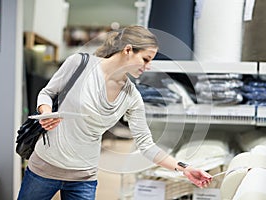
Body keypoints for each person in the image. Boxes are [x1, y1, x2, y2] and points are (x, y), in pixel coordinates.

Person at [17, 25, 212, 200]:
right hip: (44, 169)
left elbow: (146, 145)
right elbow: (47, 93)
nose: (148, 66)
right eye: (145, 59)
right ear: (128, 50)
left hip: (83, 178)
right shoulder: (79, 64)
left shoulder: (131, 97)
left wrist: (184, 168)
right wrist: (46, 112)